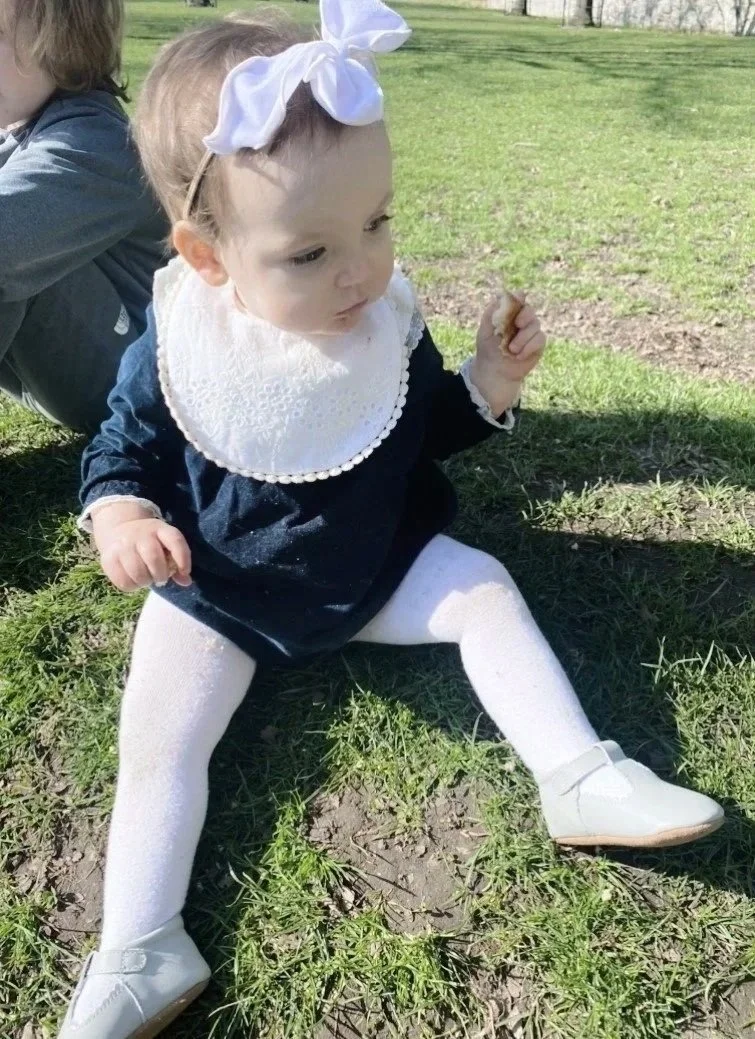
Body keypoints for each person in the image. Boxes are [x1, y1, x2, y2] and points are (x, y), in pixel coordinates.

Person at [59, 2, 724, 1035]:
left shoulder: (380, 319)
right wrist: (122, 515)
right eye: (310, 251)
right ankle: (141, 943)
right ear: (207, 256)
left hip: (373, 567)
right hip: (219, 587)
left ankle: (578, 773)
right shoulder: (181, 347)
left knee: (482, 588)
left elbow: (414, 429)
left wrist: (487, 383)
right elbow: (121, 447)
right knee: (157, 742)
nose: (359, 269)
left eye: (375, 224)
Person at [0, 0, 166, 433]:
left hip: (125, 377)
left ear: (62, 46)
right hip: (50, 376)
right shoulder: (21, 125)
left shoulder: (95, 142)